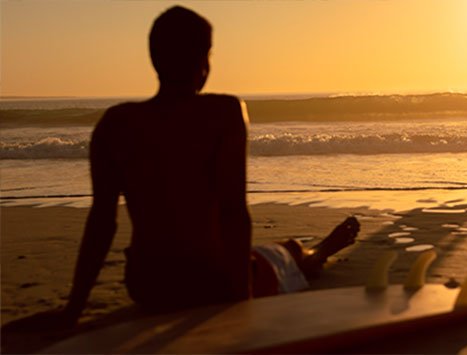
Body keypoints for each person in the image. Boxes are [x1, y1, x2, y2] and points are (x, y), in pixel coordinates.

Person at [5, 5, 359, 330]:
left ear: (153, 59)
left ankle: (309, 251)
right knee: (291, 251)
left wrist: (73, 310)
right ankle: (322, 250)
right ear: (204, 61)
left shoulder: (114, 124)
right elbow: (234, 212)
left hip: (147, 285)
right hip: (212, 281)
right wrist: (242, 306)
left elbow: (101, 222)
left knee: (269, 252)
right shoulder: (223, 113)